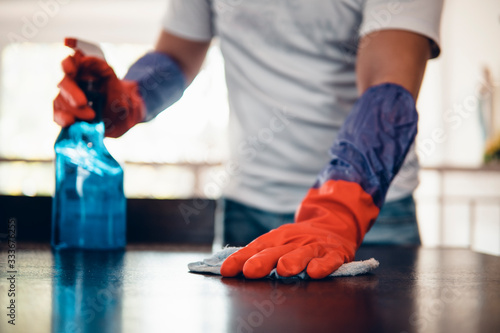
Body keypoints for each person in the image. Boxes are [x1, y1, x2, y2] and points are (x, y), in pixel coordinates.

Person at [53, 0, 443, 279]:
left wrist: (336, 212)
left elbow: (386, 85)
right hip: (249, 206)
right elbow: (176, 55)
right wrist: (132, 97)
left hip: (369, 212)